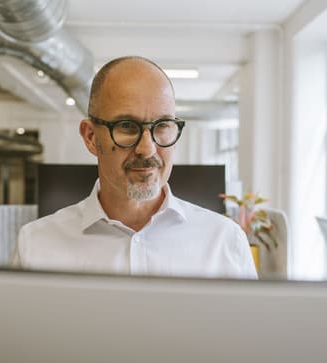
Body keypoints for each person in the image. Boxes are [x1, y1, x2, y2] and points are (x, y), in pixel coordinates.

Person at [15, 56, 257, 279]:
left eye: (162, 125)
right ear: (90, 137)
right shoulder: (36, 245)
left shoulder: (225, 242)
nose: (147, 149)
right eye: (127, 126)